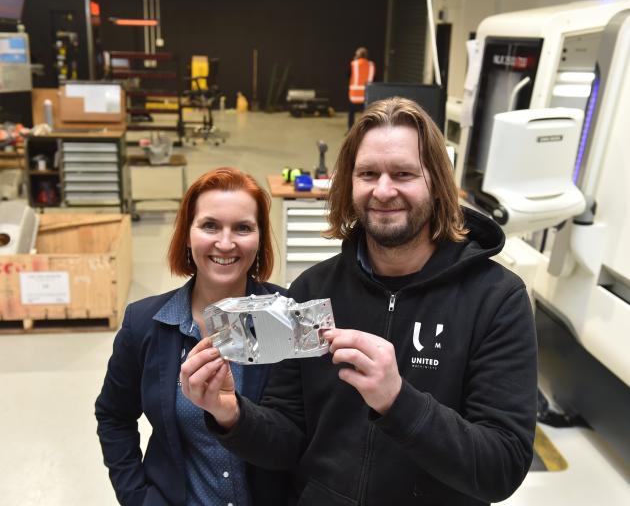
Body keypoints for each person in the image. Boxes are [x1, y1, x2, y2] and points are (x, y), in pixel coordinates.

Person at [180, 98, 538, 505]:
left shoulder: (496, 299)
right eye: (368, 173)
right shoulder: (312, 289)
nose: (384, 191)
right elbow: (288, 441)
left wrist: (397, 401)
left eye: (403, 174)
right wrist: (231, 413)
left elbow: (501, 468)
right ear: (349, 184)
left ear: (436, 183)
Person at [95, 167, 287, 505]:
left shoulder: (285, 320)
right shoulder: (145, 324)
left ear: (260, 238)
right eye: (210, 225)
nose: (225, 243)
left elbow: (305, 430)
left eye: (242, 228)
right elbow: (114, 415)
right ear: (187, 233)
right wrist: (138, 498)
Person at [348, 46, 375, 131]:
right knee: (366, 114)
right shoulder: (371, 65)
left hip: (354, 96)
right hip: (367, 95)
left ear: (357, 55)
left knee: (351, 113)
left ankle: (350, 129)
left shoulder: (353, 64)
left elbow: (348, 75)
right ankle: (365, 130)